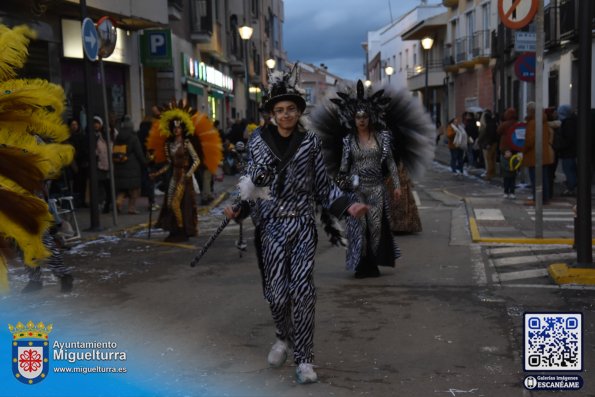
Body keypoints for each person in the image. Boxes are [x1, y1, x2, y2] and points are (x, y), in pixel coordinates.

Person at [224, 65, 368, 384]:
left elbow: (323, 185)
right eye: (280, 110)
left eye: (291, 109)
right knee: (276, 293)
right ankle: (282, 337)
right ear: (272, 114)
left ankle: (304, 359)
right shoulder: (259, 141)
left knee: (302, 290)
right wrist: (239, 207)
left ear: (299, 111)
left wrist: (347, 204)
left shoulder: (309, 143)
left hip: (302, 224)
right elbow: (250, 182)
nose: (286, 115)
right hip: (271, 226)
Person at [332, 94, 402, 277]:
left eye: (364, 117)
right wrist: (342, 186)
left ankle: (373, 262)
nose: (361, 121)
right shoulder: (348, 141)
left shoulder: (382, 138)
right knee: (359, 227)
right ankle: (361, 264)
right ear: (353, 120)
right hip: (357, 189)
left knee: (376, 226)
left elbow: (390, 163)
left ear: (370, 118)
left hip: (377, 188)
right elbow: (343, 167)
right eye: (358, 117)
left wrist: (397, 185)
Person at [147, 101, 222, 242]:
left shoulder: (187, 143)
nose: (176, 130)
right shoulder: (168, 145)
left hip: (184, 177)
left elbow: (196, 160)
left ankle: (182, 229)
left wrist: (188, 174)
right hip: (173, 177)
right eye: (174, 128)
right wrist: (156, 174)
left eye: (179, 127)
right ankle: (174, 230)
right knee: (169, 204)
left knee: (176, 203)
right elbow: (169, 164)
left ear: (183, 128)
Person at [113, 115, 148, 214]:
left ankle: (118, 202)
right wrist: (145, 162)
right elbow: (139, 153)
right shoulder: (133, 138)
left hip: (119, 166)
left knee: (122, 189)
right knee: (135, 189)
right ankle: (131, 208)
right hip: (132, 168)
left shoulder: (118, 137)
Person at [522, 102, 555, 206]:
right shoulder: (544, 122)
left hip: (534, 154)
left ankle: (537, 199)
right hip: (544, 153)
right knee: (544, 177)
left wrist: (524, 149)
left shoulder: (533, 123)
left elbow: (530, 140)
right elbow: (550, 134)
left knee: (535, 178)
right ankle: (545, 198)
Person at [554, 104, 577, 196]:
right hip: (571, 151)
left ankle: (572, 188)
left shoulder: (567, 123)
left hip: (568, 152)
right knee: (570, 170)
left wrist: (560, 146)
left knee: (569, 170)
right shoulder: (573, 121)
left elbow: (568, 138)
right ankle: (571, 187)